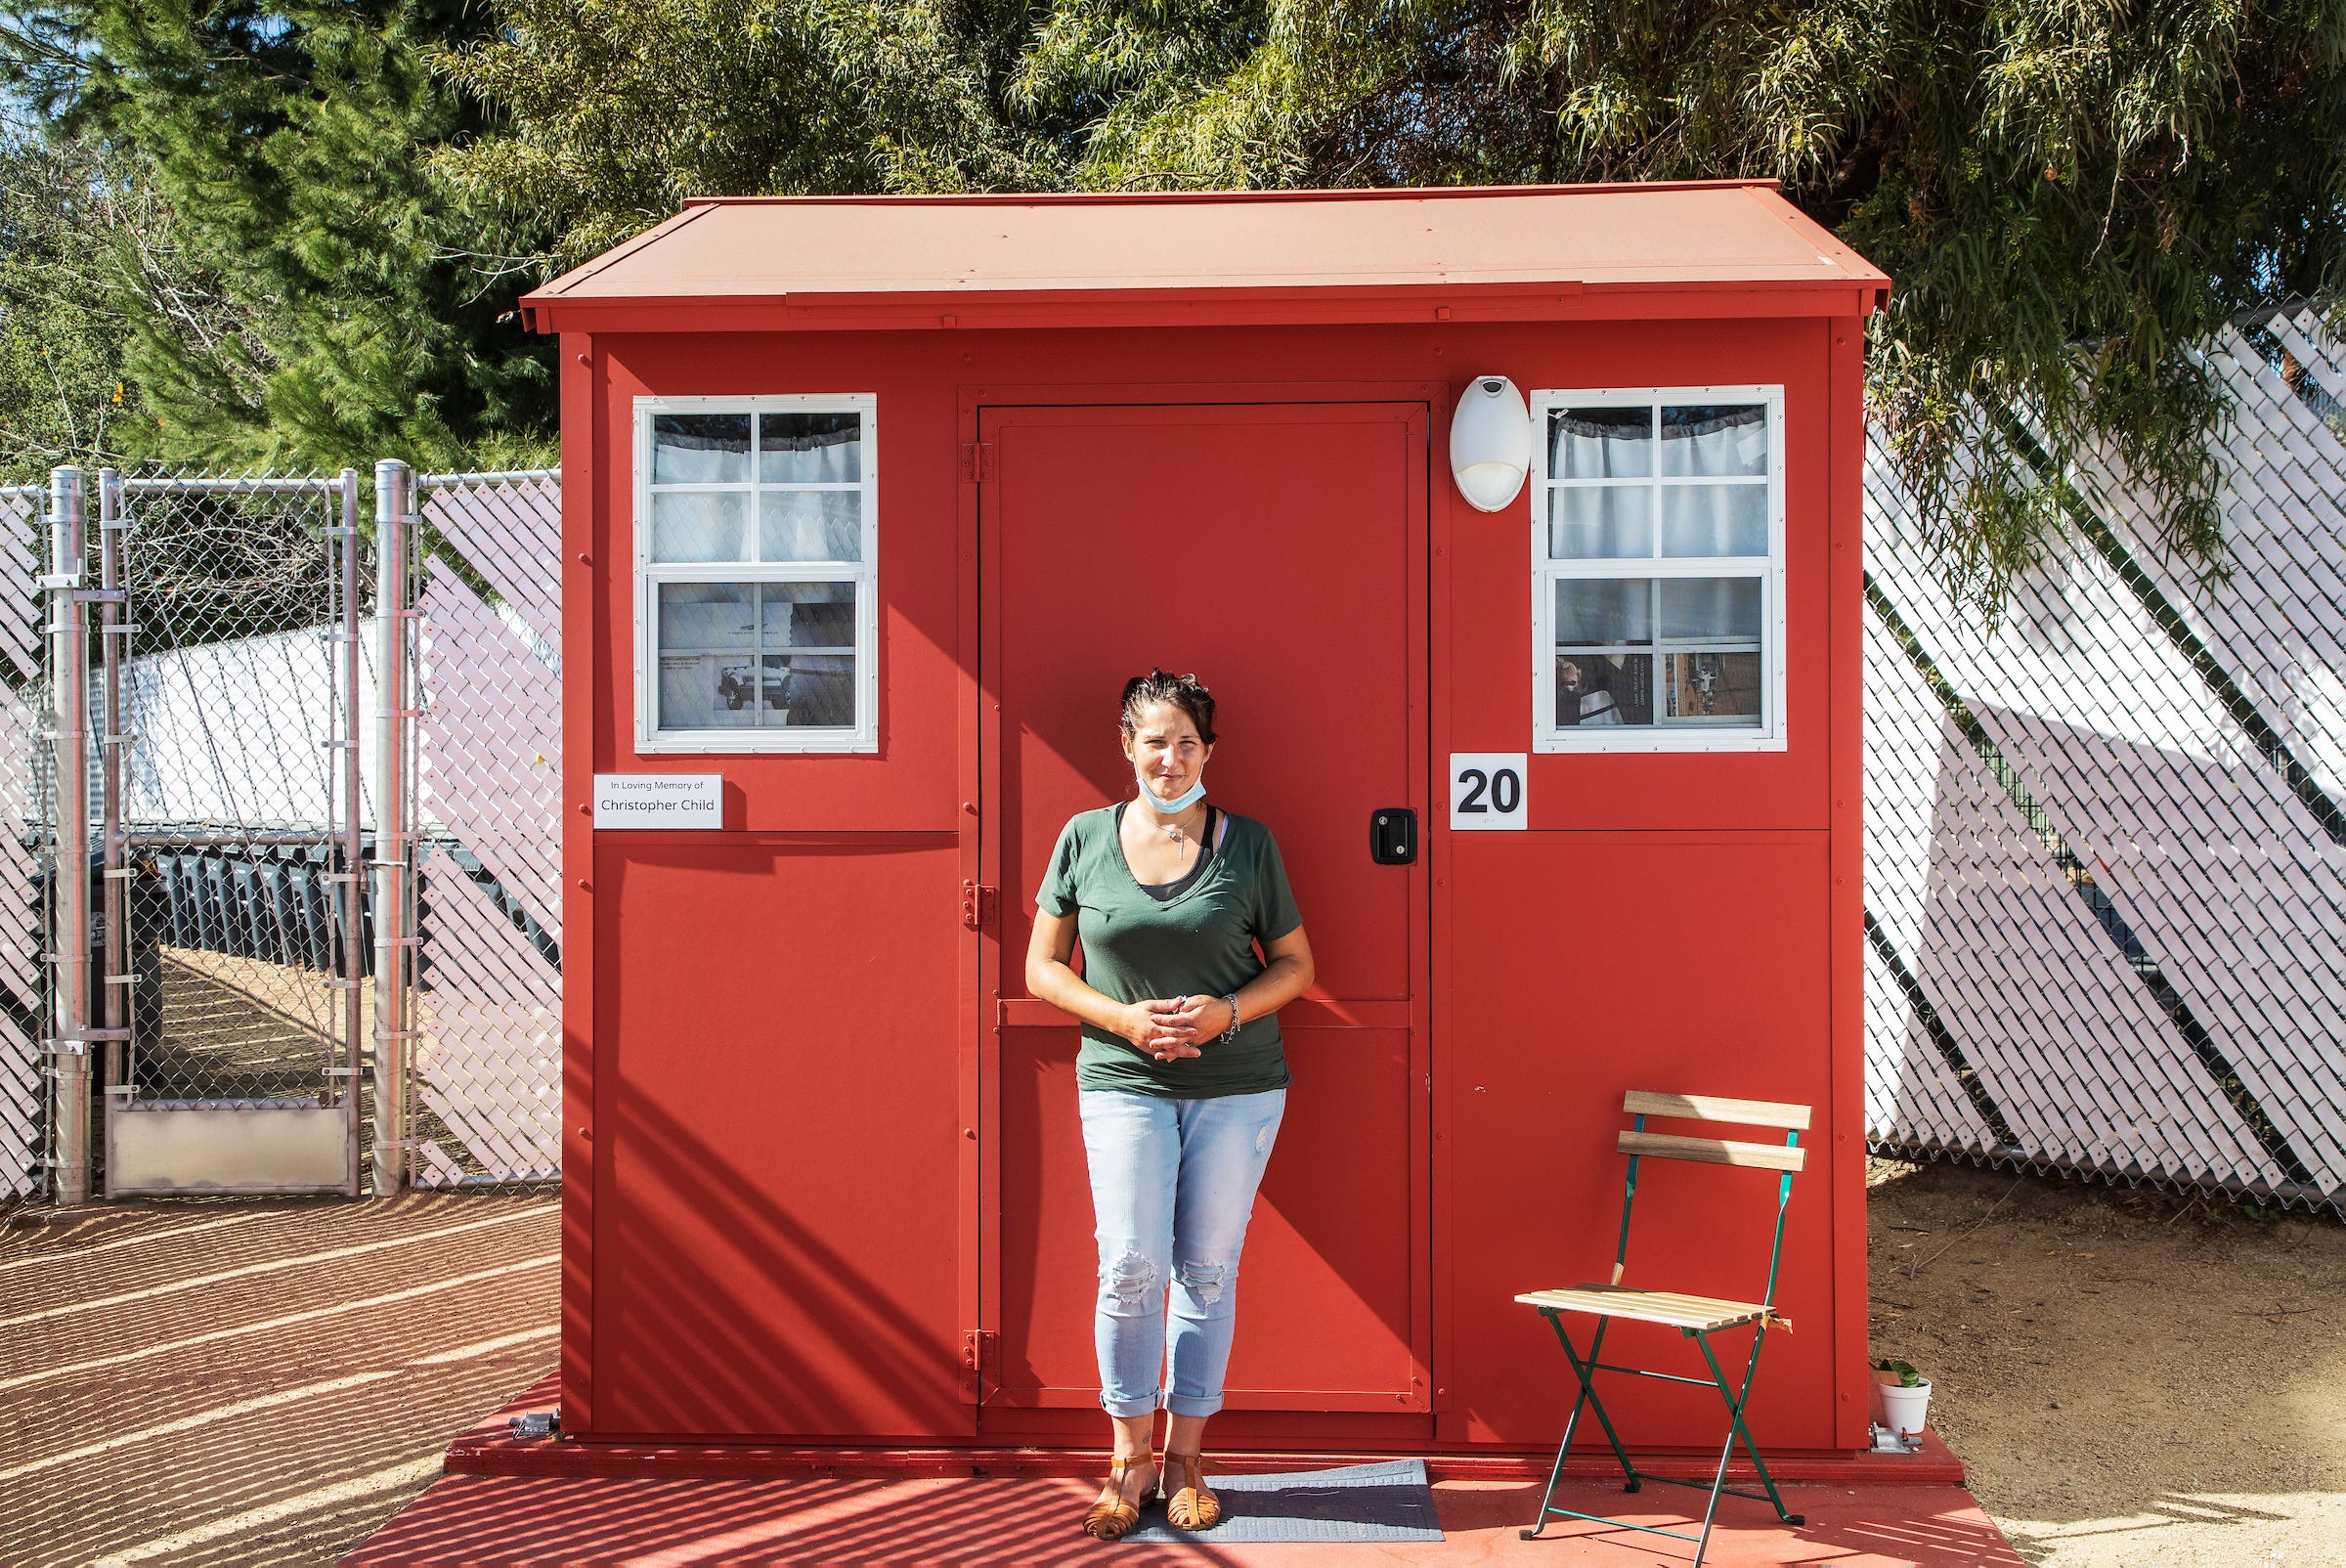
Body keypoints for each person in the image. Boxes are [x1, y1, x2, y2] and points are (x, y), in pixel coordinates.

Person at [1025, 670, 1316, 1540]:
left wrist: (1229, 1012)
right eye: (1155, 740)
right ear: (1128, 747)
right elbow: (1041, 968)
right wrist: (1119, 1017)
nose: (1170, 757)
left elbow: (1297, 966)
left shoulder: (1249, 845)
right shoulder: (1083, 838)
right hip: (1124, 1086)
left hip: (1237, 1086)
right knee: (1128, 1269)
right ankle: (1128, 1459)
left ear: (1208, 753)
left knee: (1206, 1270)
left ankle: (1189, 1455)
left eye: (1187, 742)